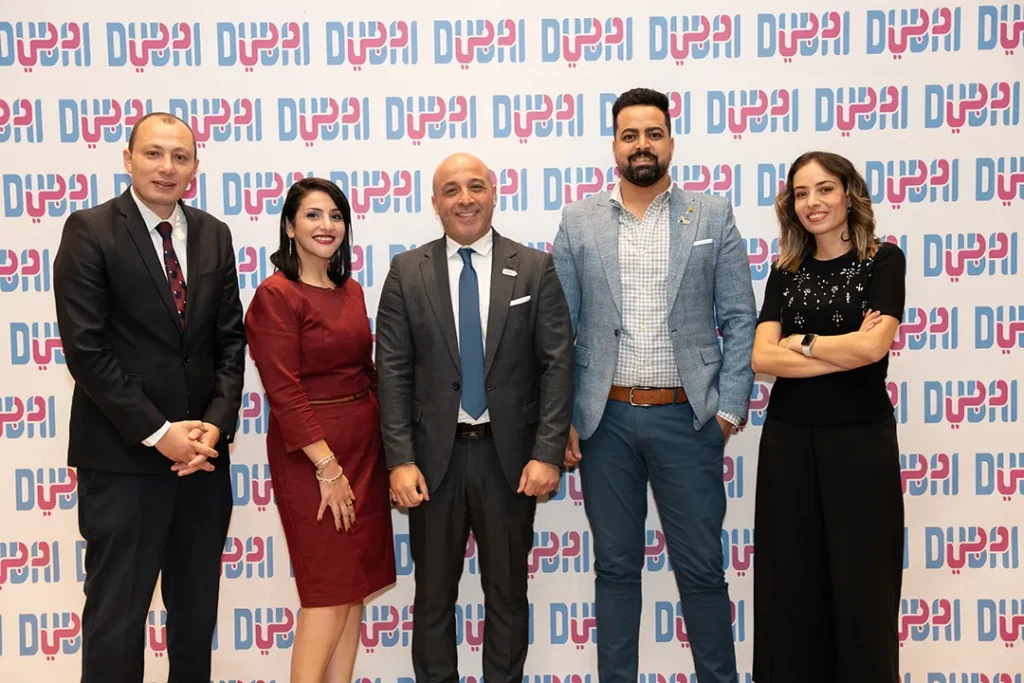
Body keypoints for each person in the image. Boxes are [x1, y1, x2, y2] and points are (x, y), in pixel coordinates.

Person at [552, 87, 756, 683]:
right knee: (615, 570)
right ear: (615, 146)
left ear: (670, 141)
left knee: (701, 571)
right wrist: (561, 418)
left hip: (688, 420)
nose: (642, 145)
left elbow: (739, 317)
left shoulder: (711, 214)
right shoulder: (579, 220)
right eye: (630, 135)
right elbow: (558, 329)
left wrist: (728, 411)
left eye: (653, 133)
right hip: (605, 422)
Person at [52, 112, 246, 683]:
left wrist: (214, 425)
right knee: (116, 624)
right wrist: (161, 435)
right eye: (154, 153)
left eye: (180, 157)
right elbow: (87, 351)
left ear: (195, 167)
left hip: (202, 465)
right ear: (128, 159)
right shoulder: (90, 230)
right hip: (124, 464)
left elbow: (229, 342)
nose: (167, 167)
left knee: (194, 624)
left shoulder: (214, 234)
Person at [376, 153, 574, 683]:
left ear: (493, 193)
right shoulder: (406, 271)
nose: (465, 199)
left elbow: (557, 364)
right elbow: (392, 371)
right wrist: (399, 460)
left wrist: (547, 452)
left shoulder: (533, 267)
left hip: (509, 461)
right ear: (435, 203)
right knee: (432, 598)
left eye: (475, 187)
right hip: (431, 463)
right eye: (451, 190)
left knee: (508, 596)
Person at [751, 151, 905, 682]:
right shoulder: (785, 270)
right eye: (801, 193)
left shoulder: (884, 260)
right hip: (789, 443)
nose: (812, 202)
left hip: (861, 443)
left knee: (864, 587)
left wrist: (805, 342)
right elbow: (761, 358)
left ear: (848, 194)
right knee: (789, 586)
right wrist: (845, 349)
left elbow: (874, 349)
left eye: (824, 189)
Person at [244, 177, 396, 683]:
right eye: (312, 215)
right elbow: (283, 390)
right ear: (289, 227)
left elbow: (368, 373)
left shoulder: (350, 290)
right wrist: (327, 467)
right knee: (328, 592)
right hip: (312, 457)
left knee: (354, 590)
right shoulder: (275, 295)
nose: (326, 225)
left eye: (335, 215)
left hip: (364, 449)